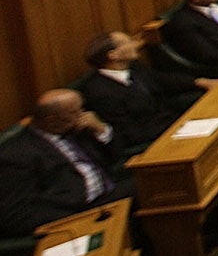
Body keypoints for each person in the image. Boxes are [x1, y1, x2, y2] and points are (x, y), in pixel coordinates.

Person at [0, 87, 130, 235]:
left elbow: (115, 157)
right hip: (78, 212)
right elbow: (16, 213)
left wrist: (101, 129)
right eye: (76, 112)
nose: (84, 115)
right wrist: (75, 219)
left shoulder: (76, 129)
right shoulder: (16, 155)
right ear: (51, 120)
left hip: (108, 190)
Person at [77, 30, 201, 159]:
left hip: (171, 120)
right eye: (128, 42)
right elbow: (129, 133)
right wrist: (177, 127)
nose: (135, 44)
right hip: (153, 138)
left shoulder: (134, 67)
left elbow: (162, 80)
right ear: (113, 55)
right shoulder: (99, 92)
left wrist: (199, 82)